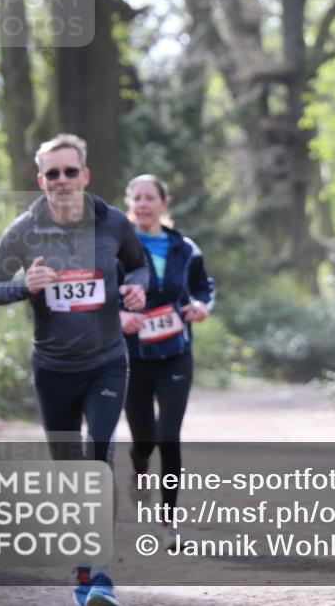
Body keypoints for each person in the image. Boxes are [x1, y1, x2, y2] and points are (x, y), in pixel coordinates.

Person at [0, 133, 149, 606]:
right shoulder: (23, 231)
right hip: (52, 369)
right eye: (52, 173)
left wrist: (135, 290)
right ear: (41, 180)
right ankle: (83, 568)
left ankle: (97, 575)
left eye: (69, 171)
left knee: (98, 460)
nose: (62, 180)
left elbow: (138, 268)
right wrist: (24, 285)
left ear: (85, 175)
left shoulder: (112, 222)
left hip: (107, 363)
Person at [118, 174, 214, 550]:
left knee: (168, 435)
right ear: (130, 203)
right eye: (137, 198)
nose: (143, 204)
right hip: (132, 356)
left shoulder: (184, 247)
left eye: (150, 198)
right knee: (144, 438)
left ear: (164, 203)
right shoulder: (115, 246)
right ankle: (139, 465)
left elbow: (204, 286)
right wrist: (118, 315)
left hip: (175, 353)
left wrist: (201, 306)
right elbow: (103, 289)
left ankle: (168, 520)